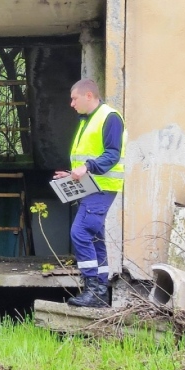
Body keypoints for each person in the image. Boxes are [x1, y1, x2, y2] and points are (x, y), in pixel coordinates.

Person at [54, 78, 126, 308]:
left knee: (80, 232)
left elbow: (112, 154)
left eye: (74, 98)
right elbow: (87, 158)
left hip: (102, 188)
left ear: (88, 96)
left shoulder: (109, 117)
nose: (71, 103)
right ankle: (99, 293)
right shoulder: (90, 120)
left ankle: (93, 291)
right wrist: (72, 174)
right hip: (90, 187)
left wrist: (88, 168)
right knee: (95, 238)